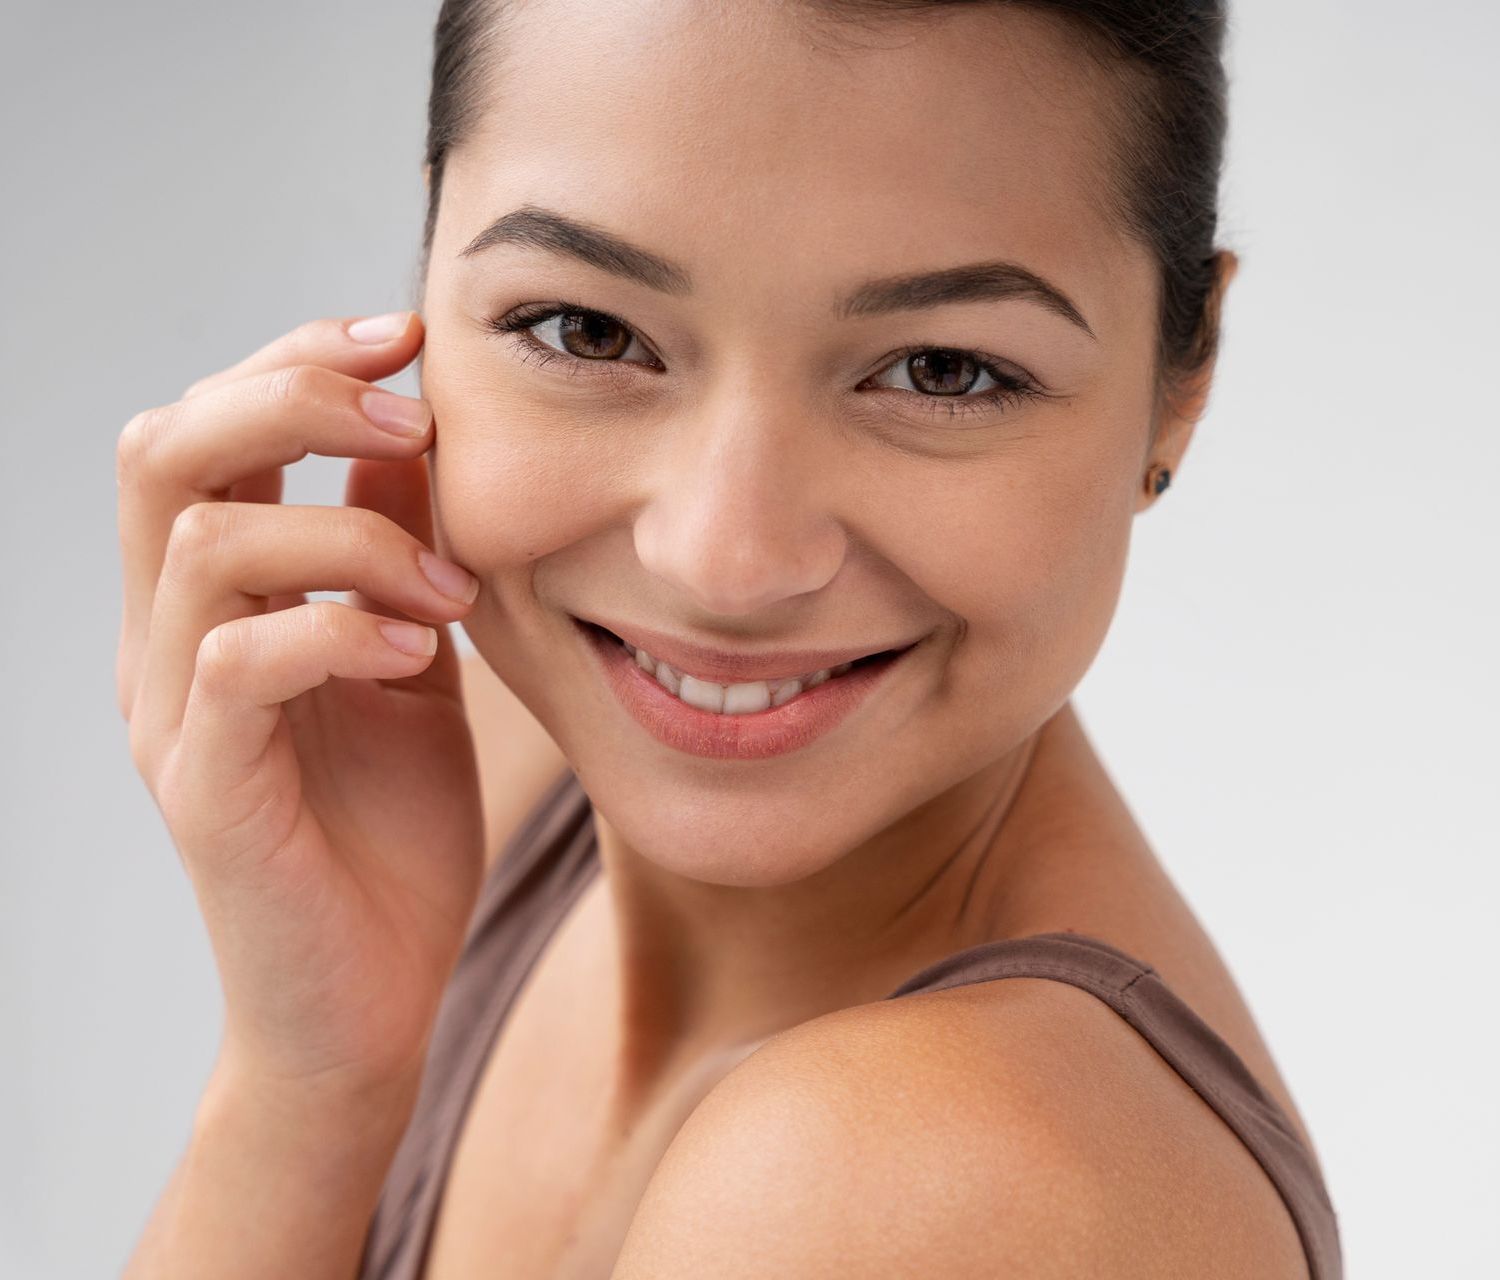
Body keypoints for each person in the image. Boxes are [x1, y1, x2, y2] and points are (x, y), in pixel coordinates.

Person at [118, 1, 1342, 1276]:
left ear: (1179, 388)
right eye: (585, 330)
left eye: (941, 370)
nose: (726, 558)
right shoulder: (480, 772)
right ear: (429, 269)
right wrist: (308, 1079)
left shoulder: (917, 1176)